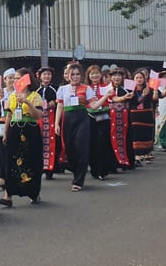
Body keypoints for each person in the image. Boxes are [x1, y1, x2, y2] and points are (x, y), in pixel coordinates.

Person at [0, 68, 44, 205]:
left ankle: (33, 192)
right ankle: (8, 195)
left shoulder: (35, 96)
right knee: (11, 161)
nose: (15, 80)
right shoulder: (12, 96)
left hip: (30, 130)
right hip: (14, 130)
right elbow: (9, 115)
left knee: (32, 161)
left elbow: (38, 115)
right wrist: (5, 133)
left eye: (18, 78)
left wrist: (26, 102)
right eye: (14, 78)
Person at [55, 63, 99, 192]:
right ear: (68, 76)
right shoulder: (62, 89)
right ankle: (76, 172)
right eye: (72, 74)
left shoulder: (86, 88)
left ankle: (79, 180)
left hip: (82, 118)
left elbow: (93, 105)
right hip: (68, 119)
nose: (75, 77)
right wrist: (57, 123)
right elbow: (59, 106)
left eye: (77, 74)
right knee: (69, 148)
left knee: (81, 147)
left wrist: (107, 96)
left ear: (81, 75)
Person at [84, 65, 114, 181]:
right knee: (92, 144)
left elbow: (112, 99)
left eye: (97, 73)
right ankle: (94, 169)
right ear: (88, 76)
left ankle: (103, 170)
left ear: (101, 75)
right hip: (90, 117)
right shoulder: (86, 88)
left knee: (103, 143)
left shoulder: (106, 87)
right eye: (92, 74)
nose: (95, 76)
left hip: (104, 117)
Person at [106, 68, 135, 172]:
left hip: (125, 117)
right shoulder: (108, 88)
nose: (116, 78)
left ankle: (127, 162)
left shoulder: (128, 88)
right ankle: (113, 164)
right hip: (111, 117)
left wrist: (133, 96)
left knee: (126, 138)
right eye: (114, 75)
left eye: (119, 75)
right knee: (111, 139)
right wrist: (123, 98)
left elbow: (134, 100)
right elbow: (111, 99)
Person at [0, 68, 16, 195]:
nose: (12, 80)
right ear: (5, 79)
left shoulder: (19, 92)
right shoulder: (0, 93)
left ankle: (12, 176)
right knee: (1, 150)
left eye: (15, 78)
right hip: (1, 123)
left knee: (12, 150)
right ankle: (1, 177)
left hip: (14, 123)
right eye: (10, 78)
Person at [35, 66, 59, 180]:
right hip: (39, 118)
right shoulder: (36, 90)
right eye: (44, 74)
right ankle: (41, 167)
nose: (46, 76)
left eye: (49, 74)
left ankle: (50, 168)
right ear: (39, 76)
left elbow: (60, 101)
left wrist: (54, 102)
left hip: (51, 118)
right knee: (39, 142)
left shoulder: (56, 89)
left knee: (51, 142)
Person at [130, 69, 158, 164]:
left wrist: (155, 90)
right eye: (136, 77)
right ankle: (137, 154)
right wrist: (141, 96)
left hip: (146, 114)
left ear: (144, 79)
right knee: (136, 134)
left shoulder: (149, 88)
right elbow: (132, 101)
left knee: (146, 134)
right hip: (135, 114)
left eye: (140, 77)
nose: (139, 79)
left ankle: (146, 153)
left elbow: (154, 100)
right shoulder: (130, 89)